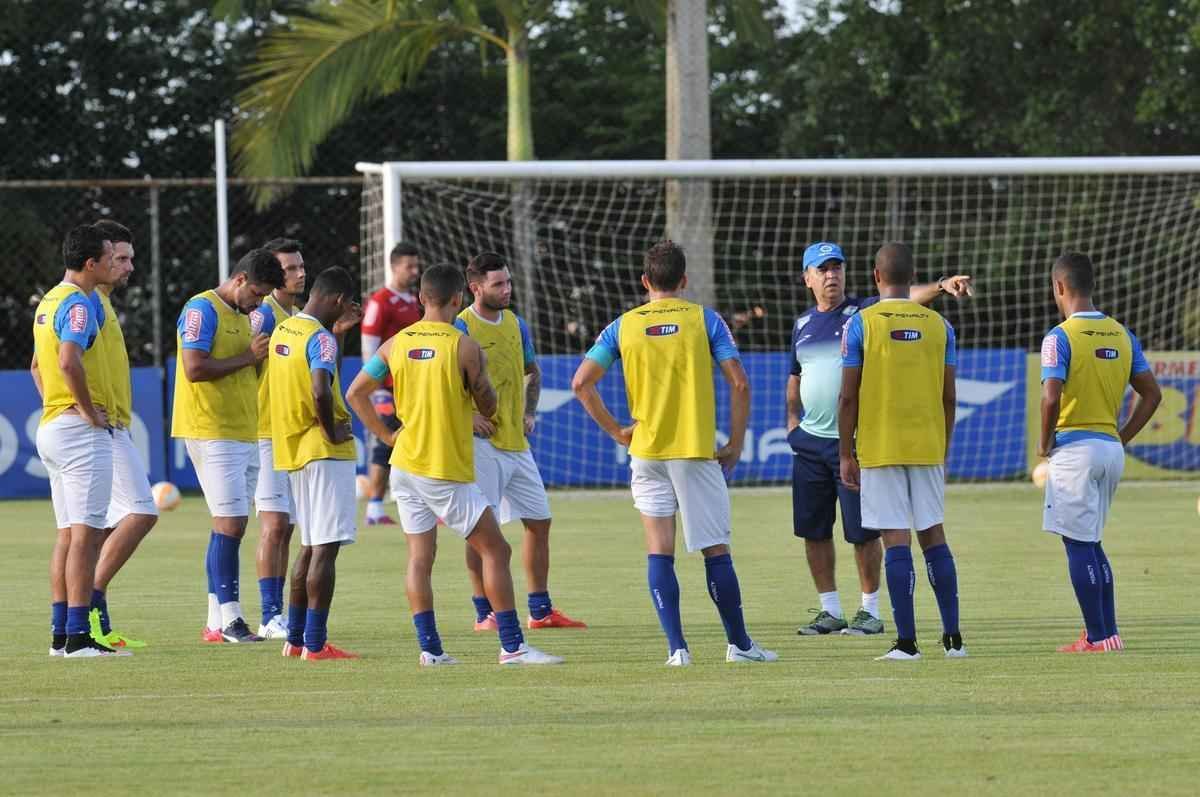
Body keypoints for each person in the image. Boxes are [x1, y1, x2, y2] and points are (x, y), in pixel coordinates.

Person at [572, 240, 777, 666]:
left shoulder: (622, 326)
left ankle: (676, 649)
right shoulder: (705, 320)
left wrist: (616, 432)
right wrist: (735, 443)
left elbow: (580, 383)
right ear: (684, 280)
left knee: (658, 549)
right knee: (715, 550)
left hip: (646, 453)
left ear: (646, 281)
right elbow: (739, 383)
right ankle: (739, 646)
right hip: (693, 452)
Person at [346, 264, 563, 666]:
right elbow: (488, 403)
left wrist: (388, 435)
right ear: (458, 299)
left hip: (405, 464)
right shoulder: (464, 346)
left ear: (421, 298)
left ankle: (430, 650)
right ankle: (513, 646)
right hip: (443, 466)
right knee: (496, 549)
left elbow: (356, 392)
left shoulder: (396, 343)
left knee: (419, 558)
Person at [788, 241, 972, 636]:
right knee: (814, 531)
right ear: (807, 278)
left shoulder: (863, 313)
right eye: (822, 269)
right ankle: (830, 610)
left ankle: (869, 609)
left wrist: (941, 286)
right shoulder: (801, 325)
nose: (831, 275)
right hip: (810, 442)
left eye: (837, 267)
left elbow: (904, 294)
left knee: (866, 532)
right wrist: (791, 420)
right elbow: (795, 376)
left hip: (856, 442)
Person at [838, 242, 965, 661]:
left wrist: (845, 452)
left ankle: (907, 643)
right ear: (913, 279)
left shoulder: (860, 324)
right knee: (934, 536)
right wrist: (942, 447)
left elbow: (848, 397)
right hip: (928, 446)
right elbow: (950, 397)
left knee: (896, 541)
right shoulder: (940, 326)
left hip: (880, 447)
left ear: (876, 277)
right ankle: (953, 640)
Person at [454, 253, 587, 631]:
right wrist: (467, 417)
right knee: (482, 531)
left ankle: (540, 610)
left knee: (540, 522)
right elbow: (438, 384)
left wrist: (529, 412)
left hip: (517, 445)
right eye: (499, 284)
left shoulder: (516, 323)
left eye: (509, 282)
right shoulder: (460, 327)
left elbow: (533, 371)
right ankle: (485, 613)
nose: (507, 289)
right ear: (475, 288)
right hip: (481, 447)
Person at [1037, 252, 1161, 653]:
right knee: (1091, 541)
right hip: (1110, 450)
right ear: (1091, 285)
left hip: (1074, 449)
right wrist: (1121, 437)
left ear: (1059, 287)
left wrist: (1043, 444)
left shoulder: (1059, 337)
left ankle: (1097, 636)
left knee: (1077, 544)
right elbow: (1152, 394)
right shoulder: (1122, 334)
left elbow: (1050, 397)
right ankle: (1107, 634)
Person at [172, 249, 284, 644]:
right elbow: (194, 367)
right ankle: (234, 620)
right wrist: (247, 357)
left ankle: (214, 622)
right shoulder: (202, 309)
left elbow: (246, 368)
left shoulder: (242, 316)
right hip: (210, 428)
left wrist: (253, 360)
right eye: (257, 292)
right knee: (231, 523)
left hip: (243, 429)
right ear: (239, 280)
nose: (259, 301)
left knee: (228, 524)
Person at [31, 224, 124, 657]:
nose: (114, 263)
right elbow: (68, 361)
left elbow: (37, 366)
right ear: (91, 264)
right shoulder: (80, 304)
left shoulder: (48, 301)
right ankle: (78, 638)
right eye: (109, 257)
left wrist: (57, 405)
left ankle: (60, 636)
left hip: (52, 427)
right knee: (87, 537)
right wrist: (85, 411)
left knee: (68, 535)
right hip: (78, 433)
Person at [269, 266, 363, 660]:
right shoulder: (320, 339)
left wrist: (339, 335)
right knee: (325, 549)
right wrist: (331, 431)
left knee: (308, 547)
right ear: (339, 301)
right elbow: (322, 390)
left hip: (293, 451)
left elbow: (320, 378)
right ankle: (315, 643)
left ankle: (295, 639)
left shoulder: (286, 329)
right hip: (324, 452)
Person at [86, 220, 158, 649]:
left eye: (131, 258)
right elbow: (48, 364)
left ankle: (96, 618)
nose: (130, 266)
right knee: (141, 511)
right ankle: (88, 598)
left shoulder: (103, 301)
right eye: (121, 258)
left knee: (98, 529)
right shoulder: (87, 301)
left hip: (114, 425)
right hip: (99, 429)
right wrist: (77, 408)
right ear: (98, 258)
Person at [249, 237, 306, 639]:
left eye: (302, 267)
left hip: (293, 433)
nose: (300, 274)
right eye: (291, 269)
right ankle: (269, 616)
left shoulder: (301, 315)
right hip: (265, 432)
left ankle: (278, 612)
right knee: (273, 525)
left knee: (286, 526)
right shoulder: (262, 316)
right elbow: (245, 368)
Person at [360, 241, 422, 525]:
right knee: (384, 443)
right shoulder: (380, 301)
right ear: (394, 267)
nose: (414, 271)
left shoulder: (414, 301)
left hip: (411, 386)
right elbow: (369, 344)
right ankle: (374, 507)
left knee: (417, 440)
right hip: (386, 387)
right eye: (409, 266)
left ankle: (422, 501)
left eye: (416, 266)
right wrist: (374, 389)